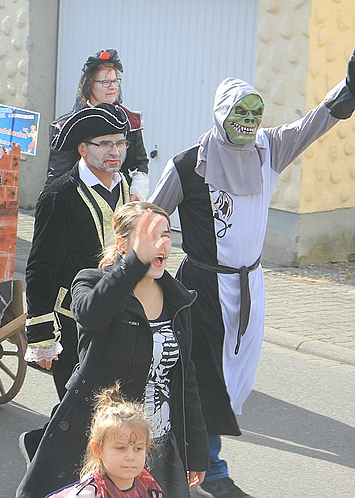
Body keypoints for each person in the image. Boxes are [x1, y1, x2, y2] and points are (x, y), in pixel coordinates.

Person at [149, 51, 355, 498]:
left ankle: (187, 458)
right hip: (202, 287)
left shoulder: (270, 148)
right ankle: (211, 469)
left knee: (232, 378)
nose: (248, 121)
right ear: (221, 114)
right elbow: (150, 220)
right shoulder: (187, 165)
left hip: (249, 288)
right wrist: (138, 274)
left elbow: (315, 123)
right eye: (240, 112)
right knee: (206, 378)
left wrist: (349, 88)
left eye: (255, 113)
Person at [18, 202, 208, 498]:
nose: (160, 244)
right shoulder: (90, 282)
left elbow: (186, 379)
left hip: (157, 445)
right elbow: (90, 315)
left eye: (166, 235)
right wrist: (134, 264)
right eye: (149, 236)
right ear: (122, 245)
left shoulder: (177, 300)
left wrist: (196, 449)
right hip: (109, 447)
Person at [21, 103, 132, 461]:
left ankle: (44, 447)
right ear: (83, 149)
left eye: (120, 143)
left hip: (116, 314)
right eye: (105, 143)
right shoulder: (59, 195)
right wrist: (42, 336)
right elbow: (40, 267)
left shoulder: (124, 185)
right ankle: (48, 458)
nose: (115, 151)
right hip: (72, 321)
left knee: (104, 408)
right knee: (83, 408)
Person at [46, 49, 149, 198]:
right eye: (105, 82)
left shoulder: (130, 121)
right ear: (89, 85)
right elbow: (58, 176)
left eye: (115, 81)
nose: (113, 87)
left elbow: (140, 162)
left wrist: (136, 192)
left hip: (122, 199)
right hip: (81, 200)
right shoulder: (69, 126)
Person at [46, 383, 163, 498]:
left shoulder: (147, 485)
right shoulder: (88, 494)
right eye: (121, 448)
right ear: (98, 449)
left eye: (138, 448)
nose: (131, 457)